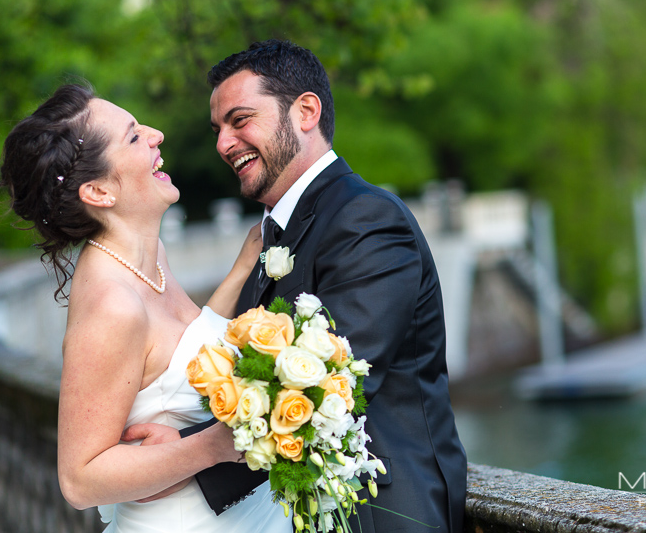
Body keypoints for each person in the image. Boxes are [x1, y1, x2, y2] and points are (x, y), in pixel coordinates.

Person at [129, 40, 468, 532]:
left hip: (378, 514)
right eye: (218, 129)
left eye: (240, 120)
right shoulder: (269, 237)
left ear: (305, 111)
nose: (224, 144)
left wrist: (187, 456)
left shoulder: (367, 220)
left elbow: (337, 379)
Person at [0, 83, 291, 533]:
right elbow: (79, 478)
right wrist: (211, 446)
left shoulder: (149, 257)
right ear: (98, 192)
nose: (156, 135)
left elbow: (180, 355)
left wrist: (243, 266)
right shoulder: (112, 305)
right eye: (134, 136)